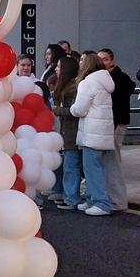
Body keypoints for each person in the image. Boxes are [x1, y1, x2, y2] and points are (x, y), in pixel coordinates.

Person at [71, 52, 117, 217]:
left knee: (92, 169)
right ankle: (92, 200)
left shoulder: (87, 83)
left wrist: (70, 108)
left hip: (91, 133)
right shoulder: (105, 81)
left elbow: (79, 109)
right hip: (102, 132)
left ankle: (101, 203)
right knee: (96, 168)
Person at [97, 48, 135, 214]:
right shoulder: (106, 78)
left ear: (112, 61)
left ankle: (117, 200)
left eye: (105, 59)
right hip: (111, 123)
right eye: (99, 60)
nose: (102, 63)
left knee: (113, 162)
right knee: (107, 162)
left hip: (115, 123)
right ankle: (111, 197)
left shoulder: (119, 79)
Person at [50, 55, 81, 209]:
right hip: (66, 132)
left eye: (59, 66)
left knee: (71, 167)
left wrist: (58, 110)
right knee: (69, 166)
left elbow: (74, 111)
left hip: (72, 132)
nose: (56, 69)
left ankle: (72, 198)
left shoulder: (73, 88)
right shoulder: (66, 86)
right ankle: (68, 195)